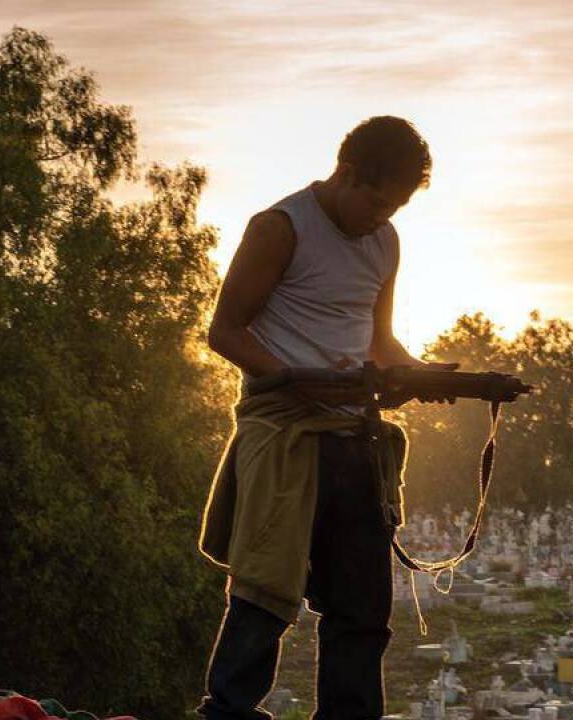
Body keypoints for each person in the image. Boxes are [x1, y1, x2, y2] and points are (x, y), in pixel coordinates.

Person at [196, 116, 456, 720]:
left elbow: (379, 344)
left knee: (362, 607)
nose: (381, 217)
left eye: (396, 208)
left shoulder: (385, 242)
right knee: (264, 592)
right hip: (284, 434)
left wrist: (423, 375)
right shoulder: (280, 228)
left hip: (354, 439)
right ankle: (228, 712)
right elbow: (225, 331)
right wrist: (294, 377)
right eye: (376, 201)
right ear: (346, 173)